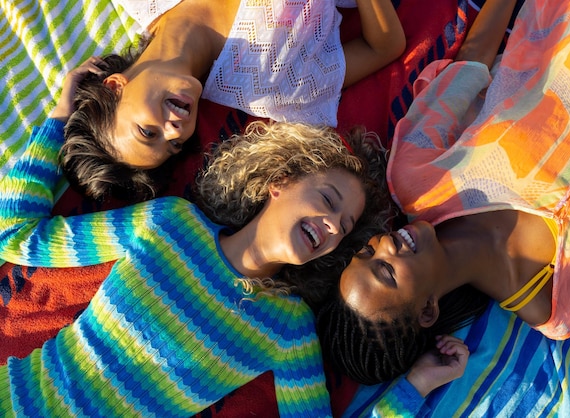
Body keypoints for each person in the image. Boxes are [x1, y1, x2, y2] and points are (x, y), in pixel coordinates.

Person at [0, 59, 460, 418]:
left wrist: (415, 386)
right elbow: (15, 236)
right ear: (278, 181)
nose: (335, 226)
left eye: (344, 226)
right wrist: (61, 115)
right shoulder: (168, 225)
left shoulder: (288, 329)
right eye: (329, 198)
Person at [317, 0, 570, 385]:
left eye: (366, 251)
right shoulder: (548, 300)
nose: (384, 244)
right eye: (384, 270)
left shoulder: (418, 181)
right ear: (427, 311)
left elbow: (472, 65)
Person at [60, 0, 406, 201]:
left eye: (148, 132)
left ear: (116, 85)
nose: (173, 129)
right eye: (174, 144)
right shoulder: (274, 84)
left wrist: (61, 109)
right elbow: (383, 47)